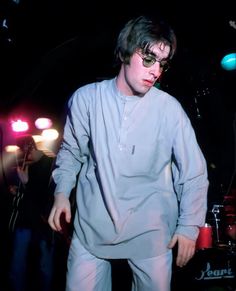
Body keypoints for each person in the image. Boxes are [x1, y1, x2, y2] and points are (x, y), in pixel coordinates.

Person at [48, 15, 209, 291]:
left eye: (162, 63)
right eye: (148, 58)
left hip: (151, 232)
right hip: (92, 229)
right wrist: (62, 193)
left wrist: (188, 228)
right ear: (125, 51)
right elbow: (71, 151)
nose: (156, 70)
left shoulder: (169, 109)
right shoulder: (86, 99)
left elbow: (194, 172)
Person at [7, 135, 56, 291]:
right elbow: (27, 197)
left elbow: (44, 197)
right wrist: (18, 191)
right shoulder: (31, 165)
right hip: (26, 221)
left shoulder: (51, 164)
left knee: (44, 266)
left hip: (43, 224)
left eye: (23, 151)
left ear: (30, 147)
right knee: (17, 264)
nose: (23, 156)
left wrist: (27, 183)